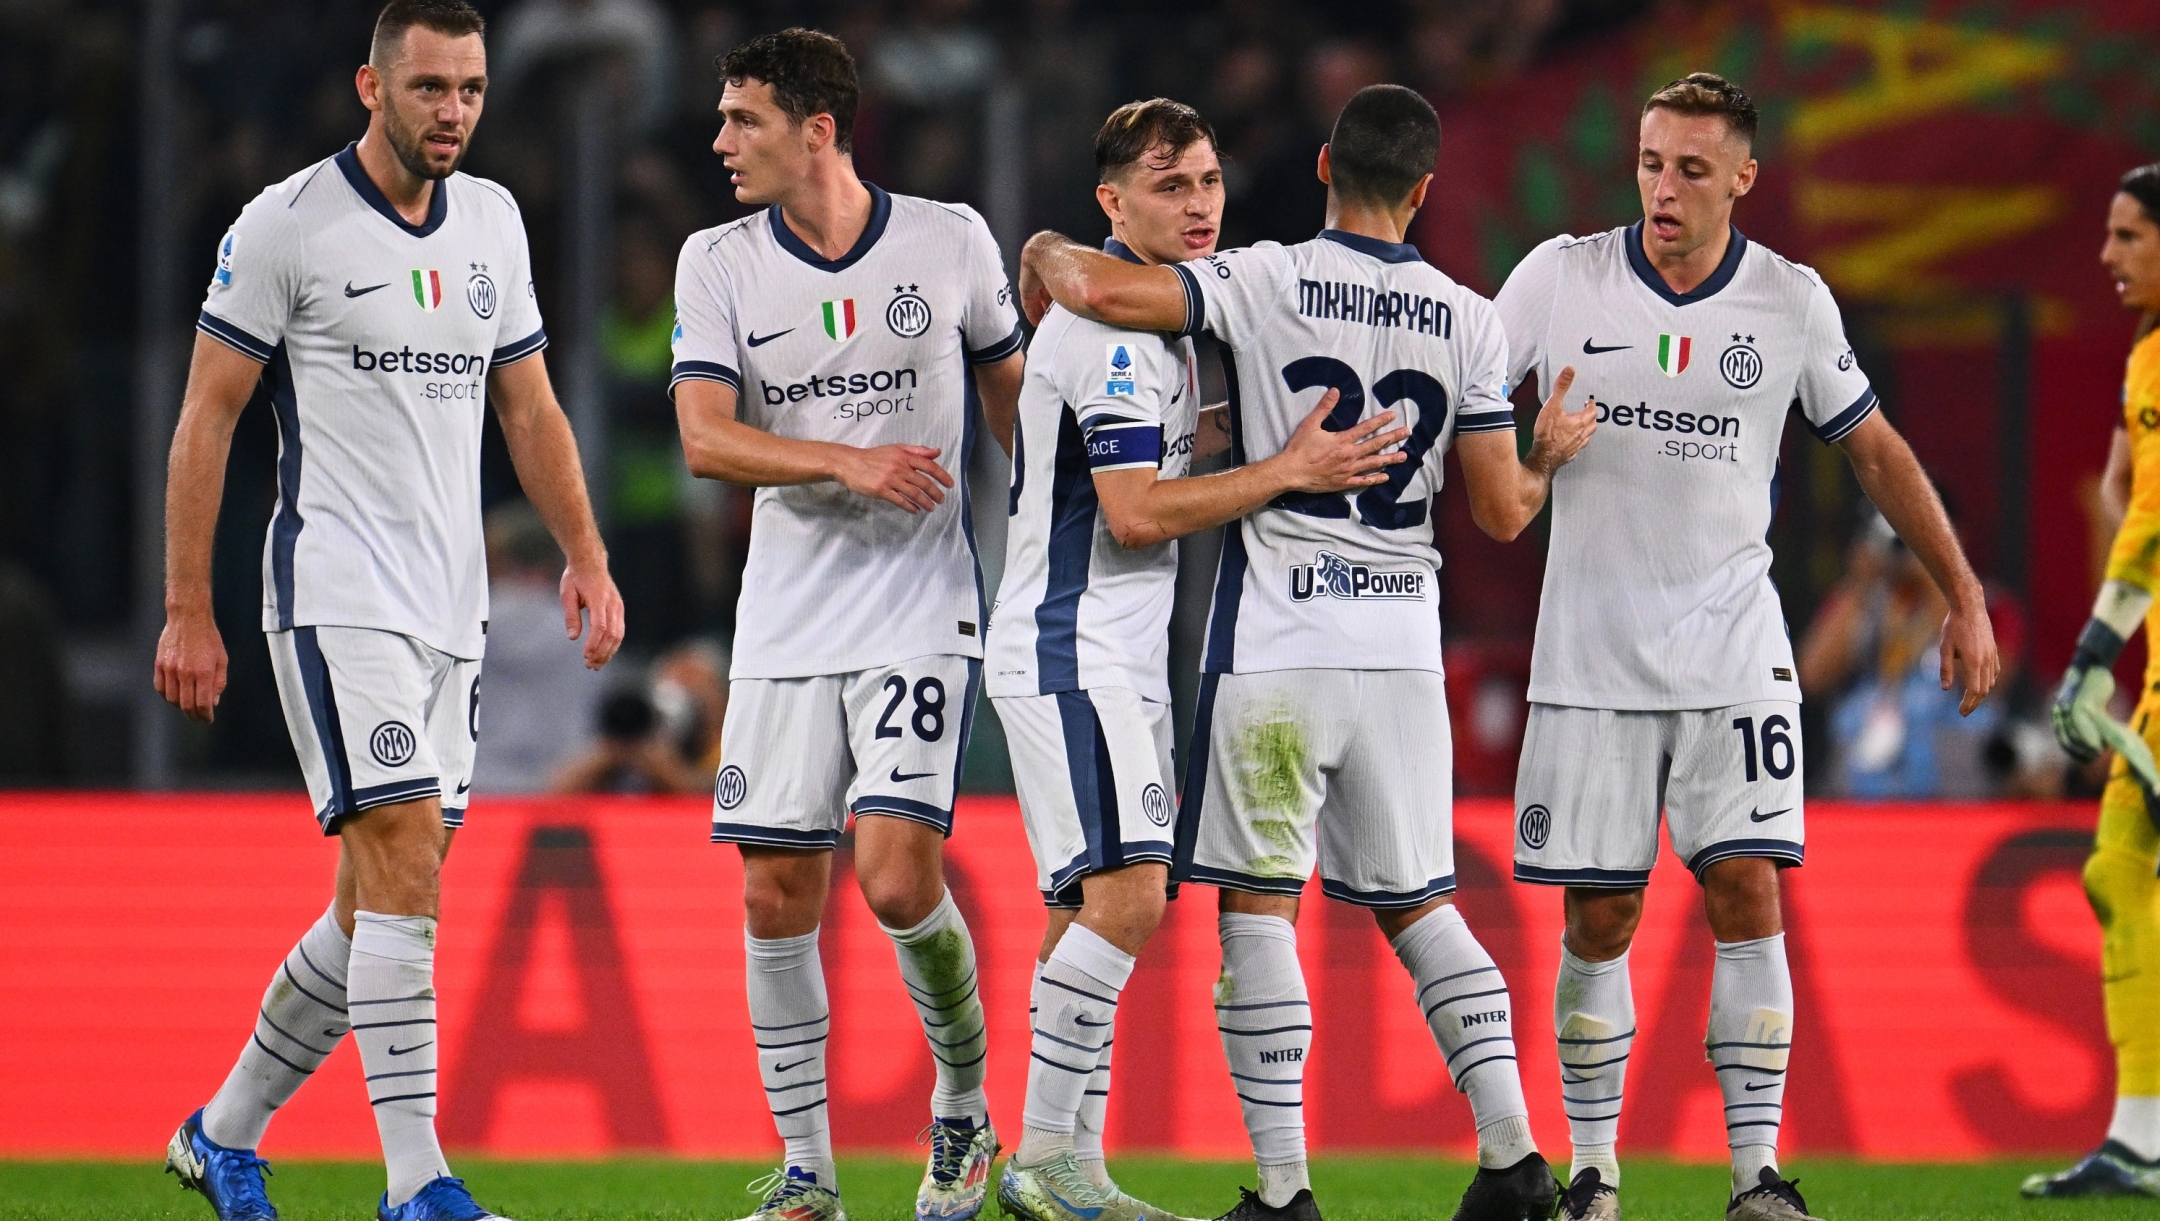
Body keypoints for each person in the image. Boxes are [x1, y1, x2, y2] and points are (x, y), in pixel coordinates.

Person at [1020, 83, 1596, 1221]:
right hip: (1401, 655)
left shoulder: (1264, 277)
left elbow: (1097, 287)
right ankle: (1517, 1157)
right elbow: (1502, 513)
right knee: (1422, 904)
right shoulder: (1470, 317)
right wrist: (1547, 454)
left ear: (1325, 165)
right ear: (1425, 189)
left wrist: (1044, 244)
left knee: (1256, 909)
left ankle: (1283, 1190)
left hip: (1279, 649)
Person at [1491, 74, 1996, 1221]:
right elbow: (1460, 400)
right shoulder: (1557, 278)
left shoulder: (1790, 302)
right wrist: (1520, 462)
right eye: (1651, 162)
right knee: (1600, 917)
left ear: (1744, 179)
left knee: (1747, 886)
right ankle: (1595, 1174)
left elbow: (1876, 453)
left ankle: (1756, 1176)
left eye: (1692, 171)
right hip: (1590, 657)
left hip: (1735, 649)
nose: (1663, 189)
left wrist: (1960, 592)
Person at [152, 3, 625, 1220]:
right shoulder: (285, 225)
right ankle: (418, 1181)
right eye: (427, 88)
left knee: (375, 897)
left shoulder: (496, 222)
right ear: (371, 86)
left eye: (468, 88)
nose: (452, 111)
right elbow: (208, 415)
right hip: (334, 590)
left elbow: (529, 406)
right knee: (405, 856)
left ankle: (223, 1131)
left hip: (451, 605)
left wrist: (585, 554)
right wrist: (185, 609)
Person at [988, 98, 1409, 1221]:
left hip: (1100, 651)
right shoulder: (1124, 340)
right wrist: (1289, 471)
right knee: (1131, 894)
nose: (1201, 205)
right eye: (1170, 187)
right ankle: (1039, 1158)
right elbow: (1133, 514)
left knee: (1088, 902)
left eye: (1211, 181)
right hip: (1072, 646)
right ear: (1111, 204)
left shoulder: (1170, 328)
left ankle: (1070, 1165)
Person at [669, 29, 1023, 1221]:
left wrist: (1072, 526)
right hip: (782, 615)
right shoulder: (716, 262)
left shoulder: (950, 240)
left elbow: (1015, 400)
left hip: (921, 604)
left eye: (744, 121)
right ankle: (810, 1173)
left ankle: (964, 1109)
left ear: (818, 129)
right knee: (775, 892)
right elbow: (707, 439)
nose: (720, 143)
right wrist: (844, 461)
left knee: (890, 874)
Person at [2034, 160, 2160, 1198]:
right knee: (2116, 877)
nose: (2107, 255)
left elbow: (2146, 526)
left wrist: (2087, 660)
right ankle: (2139, 1139)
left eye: (2128, 235)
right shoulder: (2144, 356)